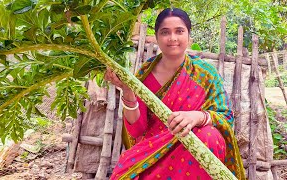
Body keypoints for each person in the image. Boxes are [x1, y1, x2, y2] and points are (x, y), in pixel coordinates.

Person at [105, 8, 245, 179]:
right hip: (152, 152)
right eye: (165, 32)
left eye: (179, 31)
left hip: (191, 151)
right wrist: (127, 90)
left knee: (209, 136)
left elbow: (225, 117)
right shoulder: (143, 76)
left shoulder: (205, 74)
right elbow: (136, 131)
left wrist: (197, 117)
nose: (172, 38)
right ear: (156, 38)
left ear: (189, 36)